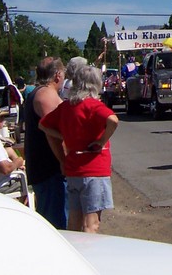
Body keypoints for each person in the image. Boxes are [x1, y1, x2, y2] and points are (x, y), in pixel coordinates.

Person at [40, 65, 119, 234]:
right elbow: (113, 120)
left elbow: (43, 125)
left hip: (74, 169)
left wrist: (65, 136)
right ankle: (90, 256)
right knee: (92, 224)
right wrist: (101, 140)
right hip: (94, 169)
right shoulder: (93, 105)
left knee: (74, 222)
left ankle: (75, 252)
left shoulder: (67, 106)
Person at [24, 56, 68, 229]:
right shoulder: (46, 96)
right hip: (50, 172)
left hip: (45, 171)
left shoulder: (39, 93)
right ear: (57, 75)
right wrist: (64, 162)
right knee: (58, 224)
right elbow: (54, 134)